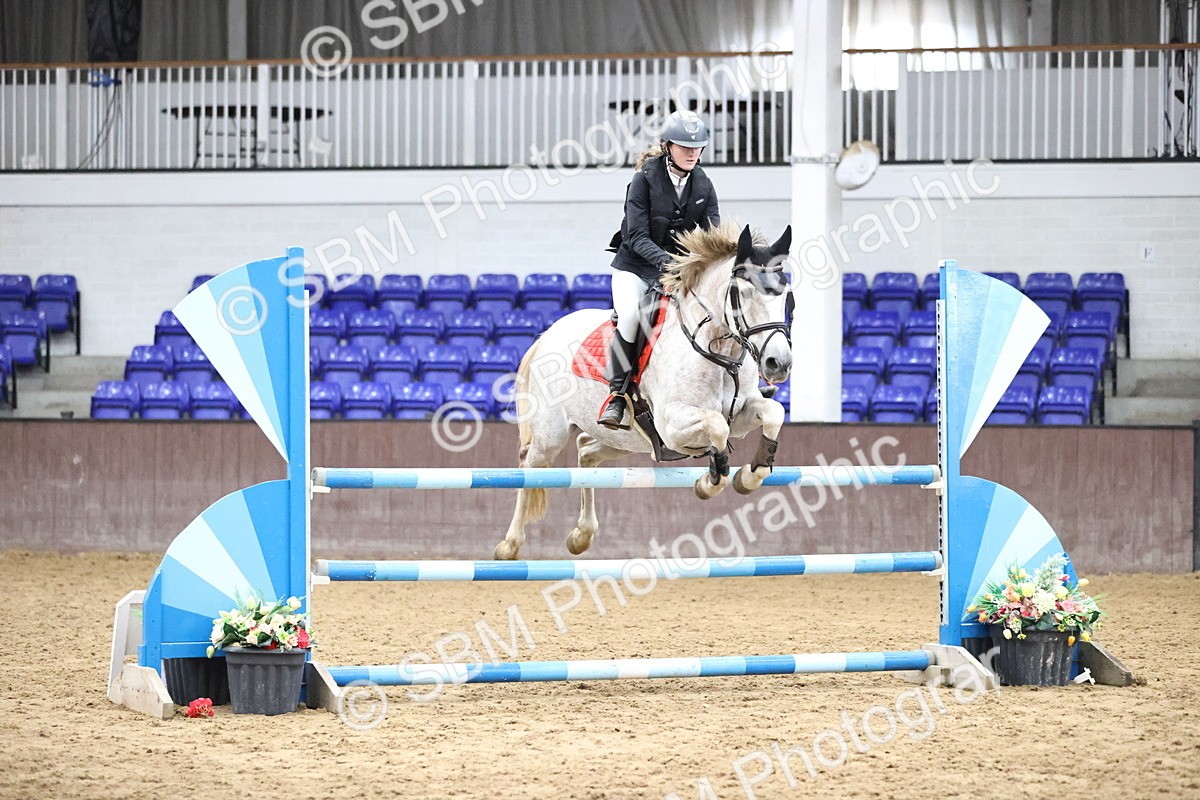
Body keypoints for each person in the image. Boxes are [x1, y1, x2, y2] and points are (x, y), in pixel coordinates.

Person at [598, 109, 720, 430]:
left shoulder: (704, 187)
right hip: (635, 269)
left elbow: (711, 238)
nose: (692, 153)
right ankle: (617, 395)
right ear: (668, 146)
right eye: (684, 147)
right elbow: (636, 236)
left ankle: (736, 383)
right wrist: (673, 265)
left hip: (679, 274)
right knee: (630, 316)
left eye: (697, 148)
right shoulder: (644, 180)